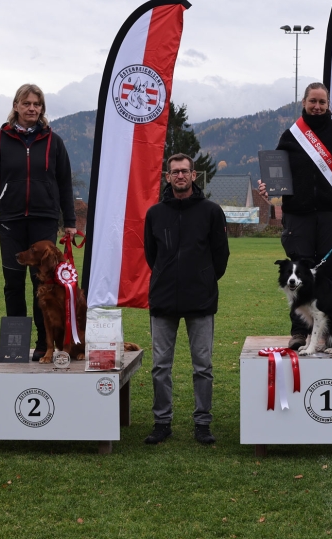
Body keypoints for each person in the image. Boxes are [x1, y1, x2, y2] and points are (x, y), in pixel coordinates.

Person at [256, 82, 332, 349]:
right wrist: (268, 187)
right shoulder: (291, 135)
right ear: (304, 102)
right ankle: (300, 333)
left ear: (328, 105)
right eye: (312, 101)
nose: (317, 106)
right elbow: (277, 174)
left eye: (322, 102)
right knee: (297, 275)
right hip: (298, 217)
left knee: (330, 275)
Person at [0, 84, 77, 362]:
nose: (32, 108)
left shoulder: (54, 142)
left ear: (42, 108)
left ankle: (42, 344)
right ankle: (15, 346)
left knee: (43, 285)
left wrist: (70, 220)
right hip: (10, 222)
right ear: (16, 106)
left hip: (44, 221)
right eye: (26, 103)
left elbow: (65, 184)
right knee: (13, 284)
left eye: (37, 104)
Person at [143, 153, 229, 445]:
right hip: (163, 299)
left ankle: (202, 423)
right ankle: (162, 422)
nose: (179, 175)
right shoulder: (155, 214)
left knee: (203, 367)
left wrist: (204, 279)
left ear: (194, 175)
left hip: (200, 300)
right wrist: (165, 277)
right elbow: (151, 255)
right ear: (168, 177)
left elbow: (221, 255)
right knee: (160, 366)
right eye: (174, 172)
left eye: (184, 171)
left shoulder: (211, 211)